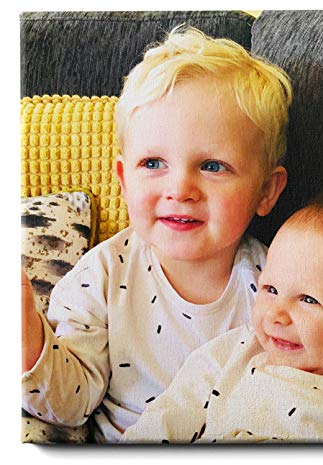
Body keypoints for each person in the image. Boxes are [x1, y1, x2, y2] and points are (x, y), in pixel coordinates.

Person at [21, 26, 291, 443]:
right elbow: (71, 404)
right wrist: (25, 335)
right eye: (153, 164)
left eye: (212, 166)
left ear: (266, 191)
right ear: (124, 180)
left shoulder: (277, 284)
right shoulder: (103, 274)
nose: (180, 190)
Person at [120, 168, 323, 443]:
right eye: (270, 289)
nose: (277, 315)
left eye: (308, 300)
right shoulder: (237, 351)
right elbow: (169, 416)